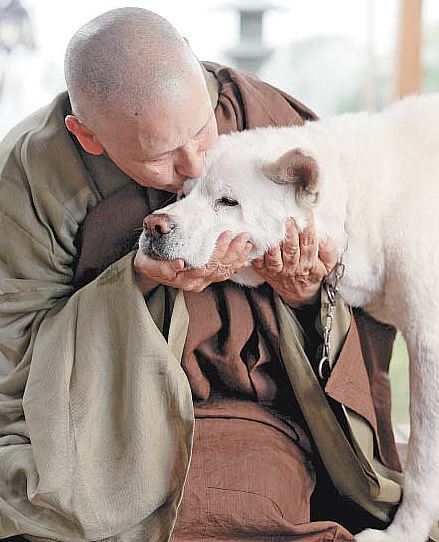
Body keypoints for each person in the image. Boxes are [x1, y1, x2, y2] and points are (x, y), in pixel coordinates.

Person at [0, 8, 402, 542]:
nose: (194, 167)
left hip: (250, 409)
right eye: (163, 156)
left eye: (200, 130)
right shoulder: (31, 179)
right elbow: (17, 349)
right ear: (89, 136)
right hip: (104, 422)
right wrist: (137, 282)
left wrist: (305, 294)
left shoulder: (269, 120)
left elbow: (368, 277)